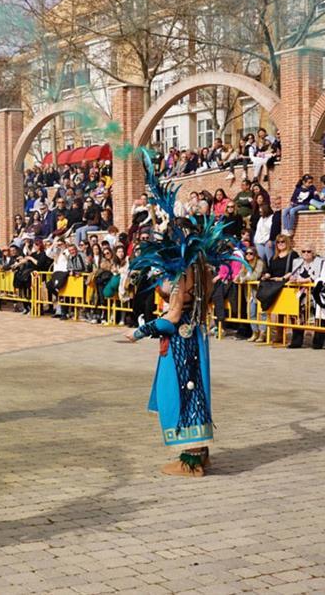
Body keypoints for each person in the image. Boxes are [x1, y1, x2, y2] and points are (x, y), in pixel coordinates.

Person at [124, 153, 237, 477]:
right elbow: (183, 298)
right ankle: (199, 455)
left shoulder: (186, 268)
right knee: (196, 391)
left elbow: (172, 316)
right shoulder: (199, 266)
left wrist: (138, 332)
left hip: (181, 340)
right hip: (196, 336)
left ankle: (190, 463)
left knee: (181, 393)